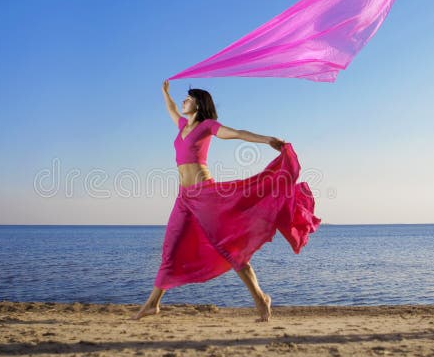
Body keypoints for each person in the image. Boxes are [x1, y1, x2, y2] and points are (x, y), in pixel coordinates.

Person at [131, 80, 320, 321]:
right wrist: (164, 92)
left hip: (205, 196)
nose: (183, 101)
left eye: (188, 99)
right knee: (171, 246)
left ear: (199, 104)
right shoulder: (181, 126)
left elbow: (237, 133)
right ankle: (152, 304)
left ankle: (260, 299)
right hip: (184, 198)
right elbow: (170, 109)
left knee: (228, 247)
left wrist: (267, 140)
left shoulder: (207, 126)